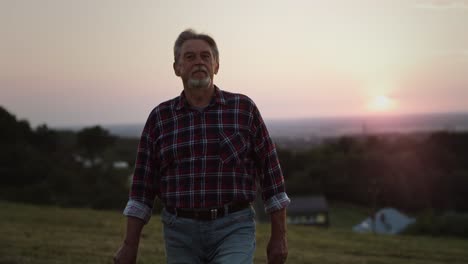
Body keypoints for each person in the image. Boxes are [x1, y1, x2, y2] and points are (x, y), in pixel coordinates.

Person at [114, 29, 290, 264]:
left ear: (216, 65)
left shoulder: (243, 109)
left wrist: (279, 237)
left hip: (234, 227)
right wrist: (129, 245)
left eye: (205, 56)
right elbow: (141, 190)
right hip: (180, 233)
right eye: (190, 57)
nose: (199, 62)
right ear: (177, 68)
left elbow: (272, 177)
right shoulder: (160, 118)